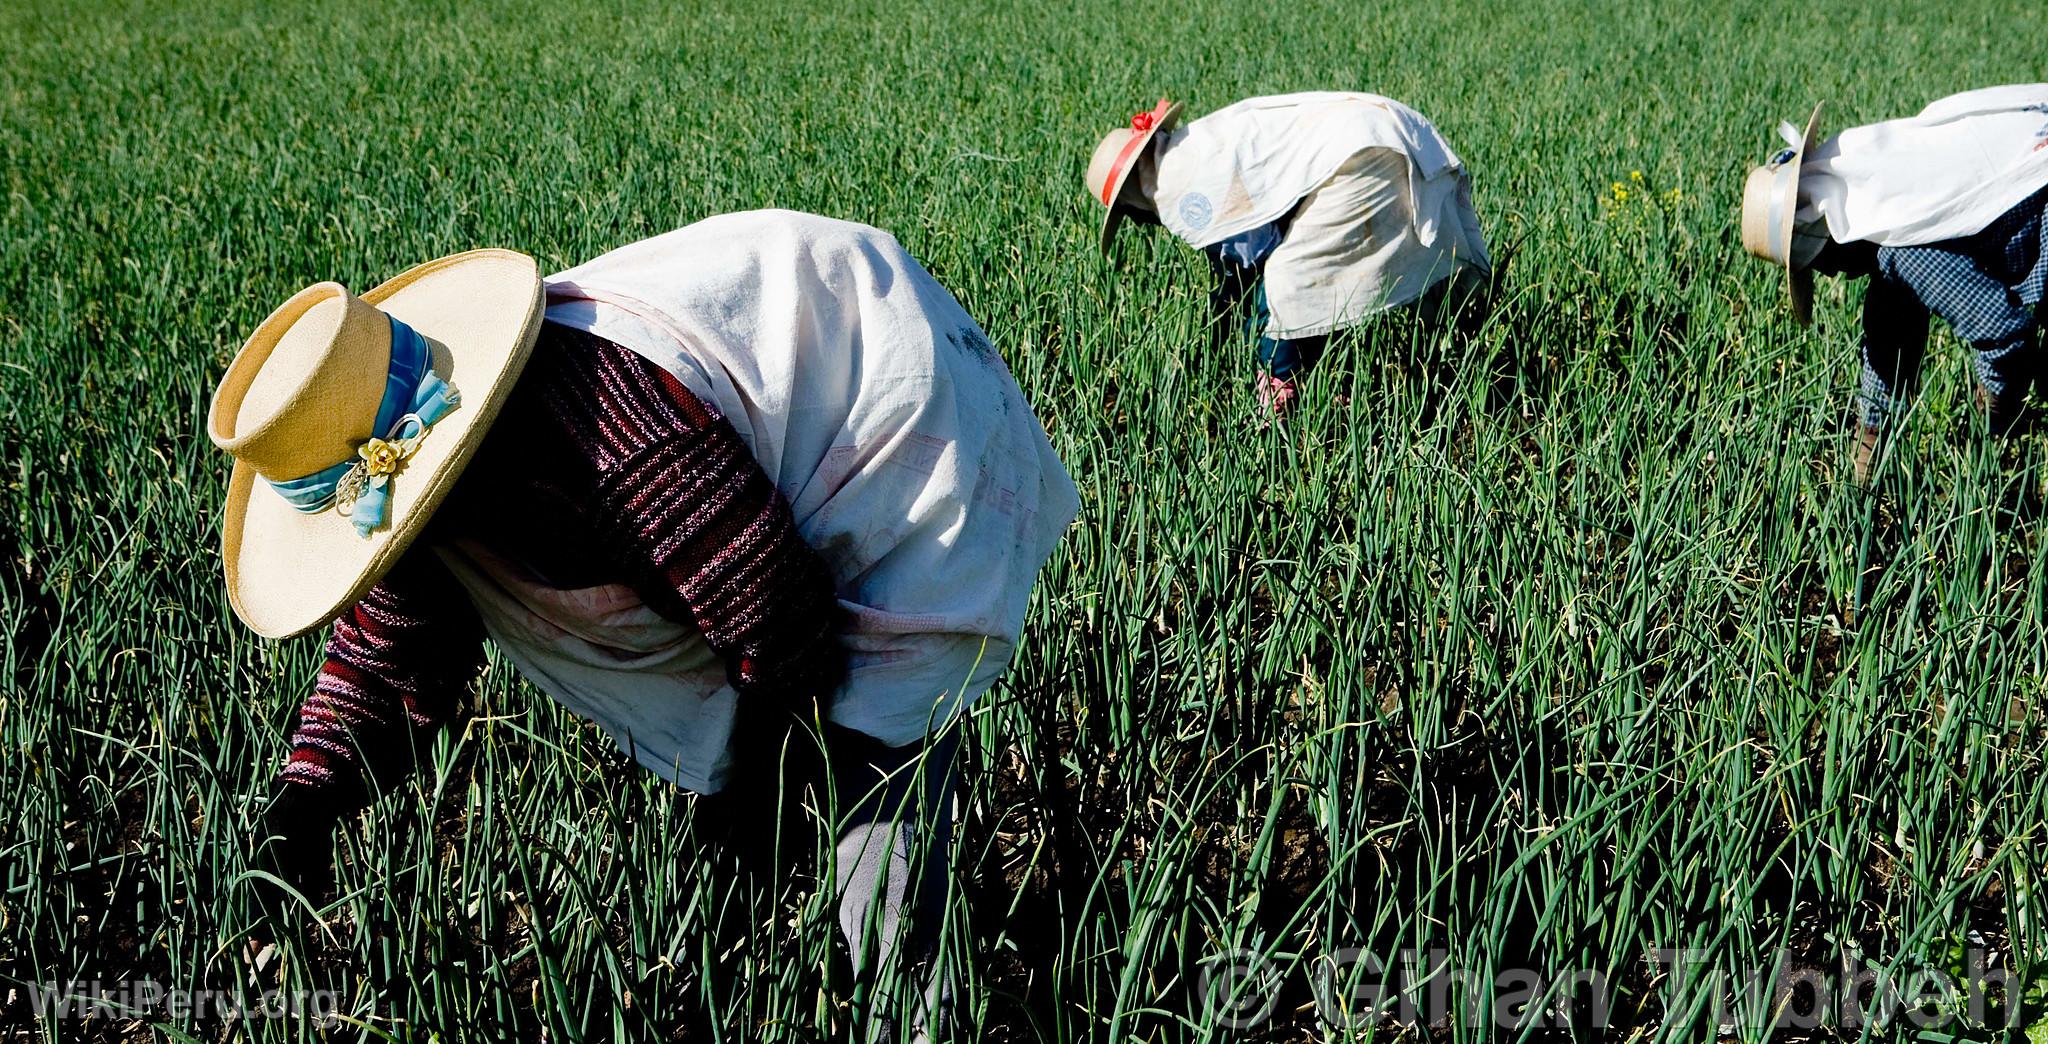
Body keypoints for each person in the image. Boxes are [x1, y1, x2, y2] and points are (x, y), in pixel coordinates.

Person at [210, 209, 1080, 1038]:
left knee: (874, 787)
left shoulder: (602, 432)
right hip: (753, 512)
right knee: (750, 826)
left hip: (885, 404)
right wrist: (304, 807)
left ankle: (914, 1002)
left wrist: (758, 789)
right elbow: (391, 657)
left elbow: (779, 617)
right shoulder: (436, 508)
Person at [1084, 92, 1492, 416]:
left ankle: (1278, 401)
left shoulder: (1175, 188)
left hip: (1362, 154)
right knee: (1315, 279)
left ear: (1132, 199)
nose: (1138, 223)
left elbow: (1258, 252)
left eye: (1129, 214)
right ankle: (1305, 378)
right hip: (1382, 130)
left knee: (1290, 282)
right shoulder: (1192, 147)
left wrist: (1248, 338)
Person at [1740, 86, 2048, 483]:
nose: (1834, 275)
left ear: (1832, 235)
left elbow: (2004, 335)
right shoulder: (1890, 191)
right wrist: (1869, 441)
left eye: (1823, 264)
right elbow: (1890, 335)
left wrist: (1989, 422)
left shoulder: (1901, 248)